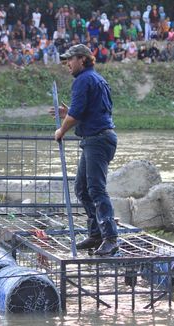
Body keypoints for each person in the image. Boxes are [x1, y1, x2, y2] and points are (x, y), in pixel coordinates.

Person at [51, 44, 119, 256]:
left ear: (83, 59)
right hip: (98, 138)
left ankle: (110, 238)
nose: (67, 64)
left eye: (70, 60)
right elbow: (90, 111)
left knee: (96, 189)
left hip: (97, 139)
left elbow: (77, 116)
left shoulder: (83, 80)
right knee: (82, 188)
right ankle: (96, 234)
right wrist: (68, 113)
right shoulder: (96, 79)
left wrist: (61, 130)